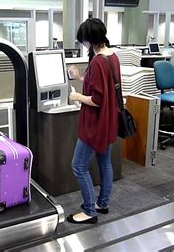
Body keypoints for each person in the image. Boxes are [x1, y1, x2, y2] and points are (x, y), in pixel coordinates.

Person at [67, 18, 121, 224]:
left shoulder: (98, 61)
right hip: (108, 121)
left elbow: (97, 99)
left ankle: (89, 211)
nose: (83, 44)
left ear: (89, 39)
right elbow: (104, 87)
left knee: (78, 166)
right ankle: (102, 203)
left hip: (94, 123)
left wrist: (77, 97)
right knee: (104, 163)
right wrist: (80, 77)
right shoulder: (111, 56)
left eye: (83, 40)